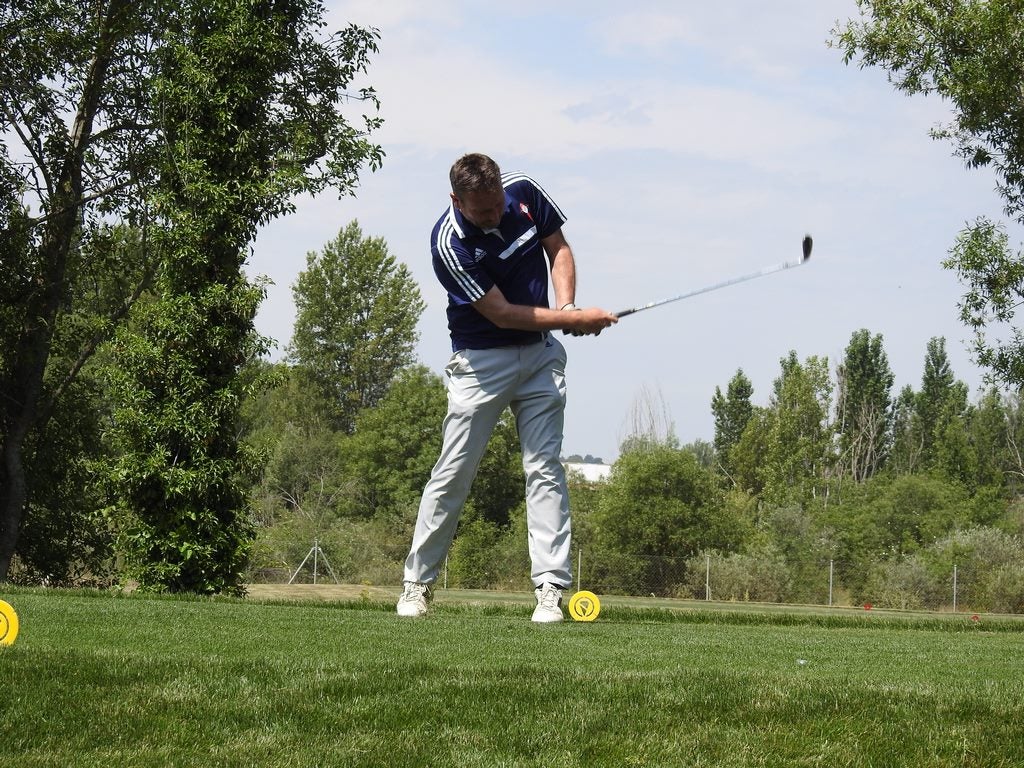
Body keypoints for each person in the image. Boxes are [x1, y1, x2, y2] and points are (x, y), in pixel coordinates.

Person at [397, 153, 618, 623]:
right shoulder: (449, 243)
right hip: (481, 364)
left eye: (497, 204)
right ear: (457, 200)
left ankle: (550, 589)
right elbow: (501, 314)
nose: (494, 215)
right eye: (482, 211)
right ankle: (417, 584)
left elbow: (558, 247)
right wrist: (573, 320)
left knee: (544, 469)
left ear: (501, 187)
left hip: (539, 356)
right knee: (454, 472)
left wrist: (568, 307)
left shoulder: (523, 190)